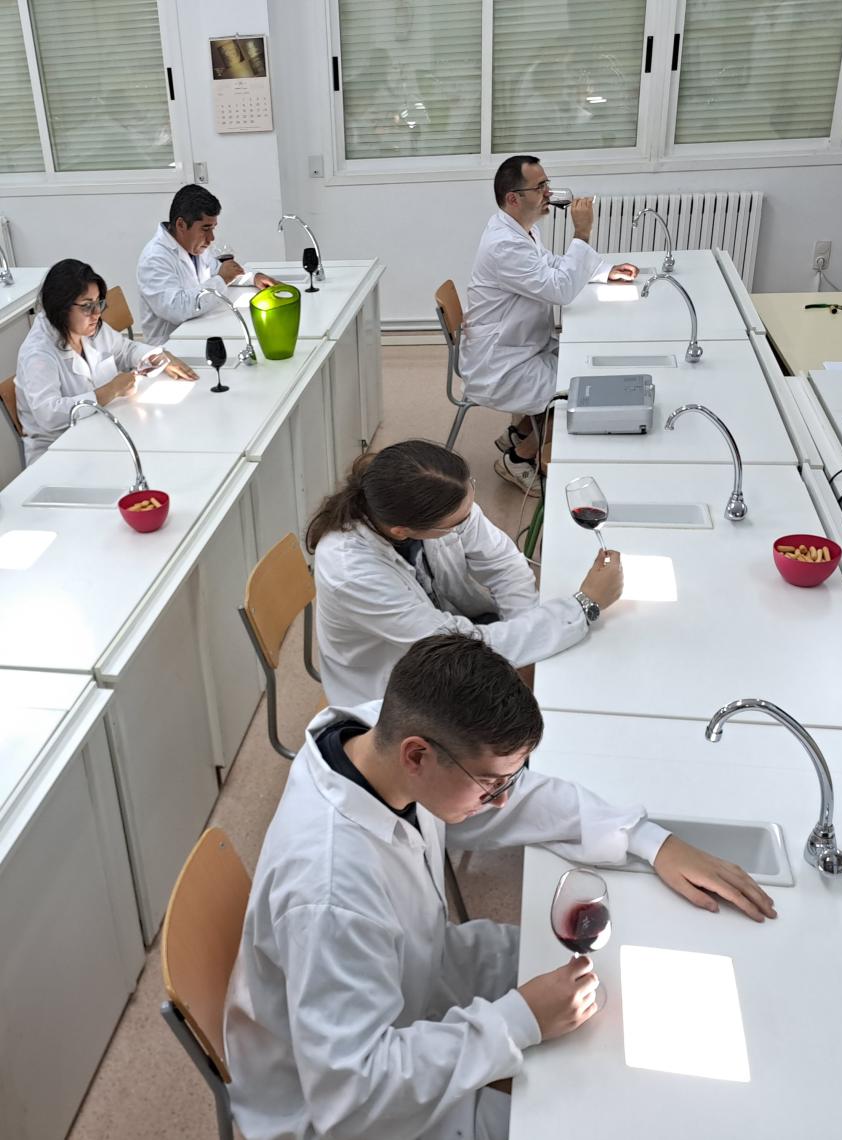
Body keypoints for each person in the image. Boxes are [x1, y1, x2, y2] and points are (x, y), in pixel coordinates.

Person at [224, 633, 776, 1140]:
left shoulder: (380, 739)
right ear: (417, 755)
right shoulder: (330, 891)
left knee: (603, 980)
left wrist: (649, 840)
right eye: (490, 785)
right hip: (342, 1106)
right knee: (583, 1117)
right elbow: (351, 1096)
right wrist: (520, 1020)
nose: (504, 798)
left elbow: (524, 795)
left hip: (412, 979)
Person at [307, 439, 623, 706]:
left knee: (560, 669)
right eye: (457, 522)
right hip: (401, 679)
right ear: (403, 531)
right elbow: (455, 644)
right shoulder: (350, 572)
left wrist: (527, 632)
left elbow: (504, 564)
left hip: (450, 630)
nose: (469, 518)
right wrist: (584, 605)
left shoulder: (441, 497)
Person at [459, 155, 638, 495]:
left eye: (546, 184)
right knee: (576, 386)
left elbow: (552, 268)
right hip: (499, 364)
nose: (549, 193)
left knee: (579, 363)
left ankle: (525, 430)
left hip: (517, 346)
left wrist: (603, 271)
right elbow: (560, 290)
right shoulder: (504, 245)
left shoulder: (520, 230)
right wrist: (582, 231)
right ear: (514, 198)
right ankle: (519, 458)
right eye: (540, 187)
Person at [14, 259, 197, 464]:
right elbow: (48, 415)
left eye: (99, 303)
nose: (96, 314)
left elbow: (125, 349)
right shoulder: (38, 353)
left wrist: (156, 356)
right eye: (87, 306)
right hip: (60, 452)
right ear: (61, 306)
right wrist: (109, 391)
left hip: (100, 430)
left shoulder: (89, 328)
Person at [136, 183, 278, 343]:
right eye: (205, 228)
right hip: (173, 347)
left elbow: (220, 271)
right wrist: (222, 279)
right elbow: (176, 309)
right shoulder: (154, 259)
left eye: (213, 228)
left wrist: (252, 278)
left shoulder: (194, 247)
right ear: (181, 225)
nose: (211, 238)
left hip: (200, 329)